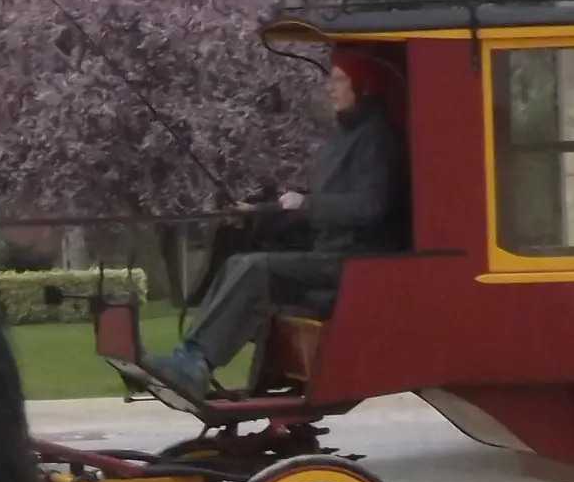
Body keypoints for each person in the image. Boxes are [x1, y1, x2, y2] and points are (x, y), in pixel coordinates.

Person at [136, 46, 409, 399]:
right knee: (239, 260)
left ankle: (196, 363)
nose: (329, 87)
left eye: (339, 79)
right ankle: (190, 356)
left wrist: (307, 203)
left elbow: (370, 206)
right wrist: (258, 213)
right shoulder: (344, 138)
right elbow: (319, 208)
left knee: (254, 268)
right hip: (329, 254)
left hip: (353, 261)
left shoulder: (374, 138)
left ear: (364, 86)